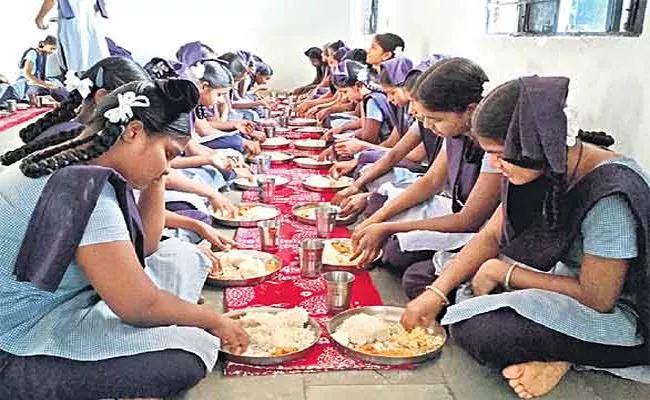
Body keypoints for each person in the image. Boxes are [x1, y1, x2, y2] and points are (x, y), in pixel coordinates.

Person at [402, 76, 650, 398]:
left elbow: (598, 299)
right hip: (565, 279)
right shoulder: (545, 164)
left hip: (623, 309)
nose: (493, 165)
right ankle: (548, 347)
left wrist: (504, 272)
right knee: (422, 279)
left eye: (498, 154)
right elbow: (492, 234)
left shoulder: (610, 198)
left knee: (482, 332)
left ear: (532, 146)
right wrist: (436, 291)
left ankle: (565, 358)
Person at [0, 79, 249, 399]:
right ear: (133, 131)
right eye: (169, 153)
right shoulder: (81, 189)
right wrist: (213, 320)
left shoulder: (75, 158)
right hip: (16, 344)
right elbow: (137, 305)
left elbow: (146, 246)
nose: (169, 167)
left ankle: (172, 316)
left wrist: (157, 177)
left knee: (181, 254)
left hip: (69, 301)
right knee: (191, 349)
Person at [349, 58, 502, 286]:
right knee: (378, 210)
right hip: (455, 210)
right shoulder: (454, 134)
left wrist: (387, 226)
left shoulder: (494, 150)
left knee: (398, 254)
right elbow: (431, 181)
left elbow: (469, 219)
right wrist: (377, 219)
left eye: (436, 120)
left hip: (477, 228)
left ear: (469, 111)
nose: (428, 126)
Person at [331, 55, 448, 204]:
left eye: (392, 93)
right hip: (428, 179)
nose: (388, 99)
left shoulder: (443, 124)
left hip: (426, 176)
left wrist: (363, 148)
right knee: (368, 170)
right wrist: (356, 186)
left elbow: (417, 160)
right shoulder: (413, 116)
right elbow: (394, 150)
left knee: (371, 177)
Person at [35, 0, 111, 73]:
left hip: (72, 26)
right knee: (97, 60)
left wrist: (39, 19)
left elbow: (50, 1)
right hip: (92, 24)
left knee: (75, 64)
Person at [8, 36, 68, 105]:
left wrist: (48, 84)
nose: (52, 51)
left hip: (35, 82)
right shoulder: (32, 53)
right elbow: (28, 75)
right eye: (51, 48)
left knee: (57, 84)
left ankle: (69, 103)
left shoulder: (43, 55)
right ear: (45, 45)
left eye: (54, 49)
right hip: (26, 84)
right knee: (52, 89)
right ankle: (67, 104)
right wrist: (45, 84)